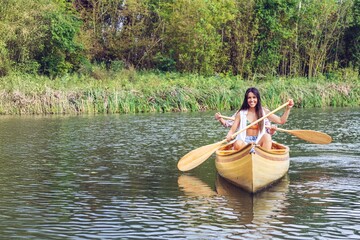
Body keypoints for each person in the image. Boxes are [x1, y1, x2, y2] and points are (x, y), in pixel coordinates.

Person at [224, 87, 294, 150]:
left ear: (257, 98)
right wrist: (229, 135)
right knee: (237, 143)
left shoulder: (264, 111)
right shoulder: (240, 113)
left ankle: (262, 156)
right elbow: (232, 130)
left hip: (258, 142)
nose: (252, 100)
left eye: (254, 97)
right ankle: (249, 152)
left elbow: (281, 121)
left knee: (267, 137)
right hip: (244, 142)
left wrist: (288, 109)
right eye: (249, 98)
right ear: (246, 99)